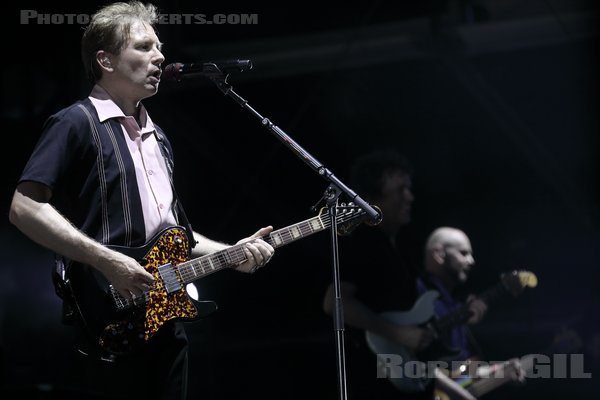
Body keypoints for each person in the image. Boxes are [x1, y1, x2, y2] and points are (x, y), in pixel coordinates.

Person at [8, 2, 274, 399]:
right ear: (106, 59)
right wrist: (107, 260)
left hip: (166, 316)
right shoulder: (75, 122)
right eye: (145, 46)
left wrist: (232, 252)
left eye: (160, 47)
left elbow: (175, 232)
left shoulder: (159, 137)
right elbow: (24, 207)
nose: (160, 56)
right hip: (107, 316)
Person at [322, 149, 435, 399]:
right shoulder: (364, 242)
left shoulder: (397, 247)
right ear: (374, 197)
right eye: (400, 190)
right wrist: (397, 333)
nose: (410, 197)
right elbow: (334, 302)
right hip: (371, 376)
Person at [419, 227, 525, 400]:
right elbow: (411, 363)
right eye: (463, 253)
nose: (472, 261)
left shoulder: (453, 305)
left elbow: (459, 374)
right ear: (439, 254)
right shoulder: (414, 296)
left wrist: (496, 370)